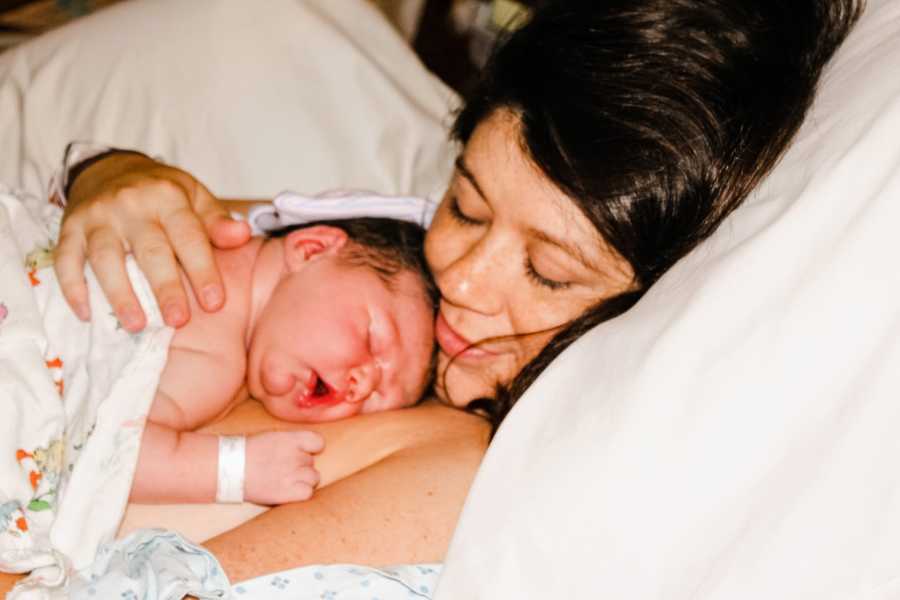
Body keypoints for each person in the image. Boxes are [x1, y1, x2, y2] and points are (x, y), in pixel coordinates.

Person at [0, 0, 862, 591]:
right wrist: (112, 175)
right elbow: (203, 230)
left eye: (549, 273)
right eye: (468, 205)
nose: (462, 280)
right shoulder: (384, 266)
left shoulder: (450, 461)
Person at [131, 216, 438, 505]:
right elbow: (111, 455)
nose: (363, 384)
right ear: (311, 249)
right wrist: (240, 470)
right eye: (373, 338)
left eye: (375, 399)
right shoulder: (213, 363)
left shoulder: (197, 229)